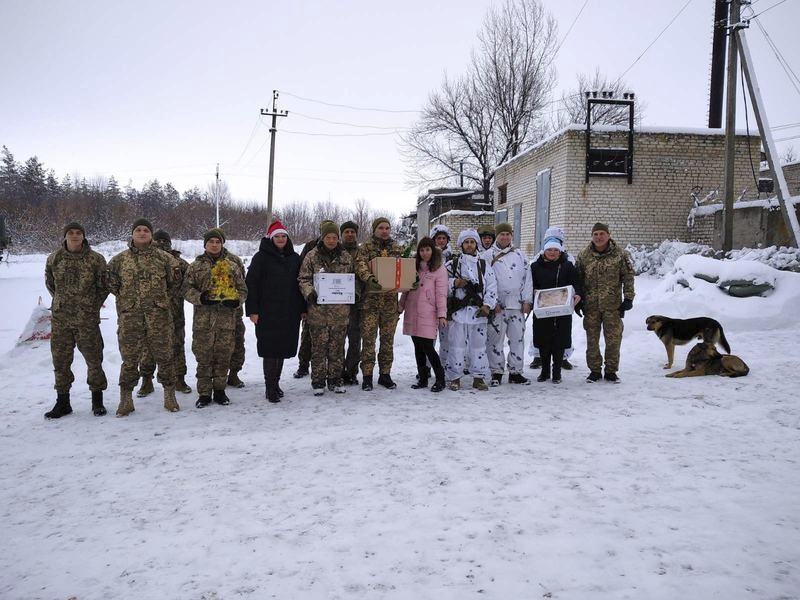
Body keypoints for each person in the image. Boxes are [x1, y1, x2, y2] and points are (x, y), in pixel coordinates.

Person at [107, 218, 182, 416]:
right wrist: (128, 300)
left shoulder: (165, 258)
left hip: (159, 317)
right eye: (138, 230)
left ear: (151, 234)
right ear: (132, 234)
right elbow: (111, 283)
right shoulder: (119, 260)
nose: (142, 233)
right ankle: (126, 399)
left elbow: (174, 284)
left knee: (165, 356)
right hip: (130, 318)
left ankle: (169, 395)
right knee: (130, 359)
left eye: (146, 230)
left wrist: (158, 300)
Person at [43, 222, 109, 418]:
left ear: (84, 236)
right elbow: (50, 284)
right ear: (65, 236)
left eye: (78, 232)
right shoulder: (54, 258)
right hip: (61, 319)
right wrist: (63, 302)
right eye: (70, 233)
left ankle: (97, 401)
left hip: (87, 320)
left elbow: (103, 287)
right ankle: (63, 402)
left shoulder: (96, 259)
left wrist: (90, 305)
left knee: (94, 360)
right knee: (61, 361)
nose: (74, 235)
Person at [183, 228, 248, 407]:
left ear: (222, 244)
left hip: (226, 321)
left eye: (217, 242)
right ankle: (204, 393)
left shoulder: (232, 265)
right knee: (203, 358)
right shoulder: (195, 266)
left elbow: (243, 290)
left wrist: (236, 301)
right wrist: (201, 298)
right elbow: (186, 289)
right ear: (205, 244)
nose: (214, 244)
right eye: (211, 241)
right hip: (203, 322)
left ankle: (219, 391)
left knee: (223, 357)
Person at [245, 220, 305, 403]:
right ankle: (269, 388)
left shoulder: (295, 258)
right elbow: (252, 285)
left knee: (282, 350)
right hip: (267, 312)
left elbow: (300, 285)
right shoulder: (260, 258)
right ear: (271, 238)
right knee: (270, 350)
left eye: (283, 236)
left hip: (289, 312)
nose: (280, 239)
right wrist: (252, 311)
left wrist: (303, 309)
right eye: (277, 236)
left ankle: (276, 383)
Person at [298, 221, 354, 395]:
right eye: (328, 237)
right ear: (322, 238)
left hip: (340, 312)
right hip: (318, 311)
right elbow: (303, 278)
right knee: (319, 348)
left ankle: (336, 380)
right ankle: (318, 381)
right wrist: (309, 293)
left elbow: (353, 279)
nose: (331, 240)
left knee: (337, 347)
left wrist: (353, 294)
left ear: (338, 238)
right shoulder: (312, 256)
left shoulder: (345, 257)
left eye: (334, 237)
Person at [576, 222, 636, 383]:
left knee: (613, 340)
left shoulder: (620, 255)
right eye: (595, 234)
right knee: (592, 340)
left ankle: (611, 371)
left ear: (608, 235)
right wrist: (578, 300)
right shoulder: (584, 255)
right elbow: (578, 279)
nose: (599, 237)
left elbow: (628, 277)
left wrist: (628, 298)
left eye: (602, 233)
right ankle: (594, 371)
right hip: (591, 306)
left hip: (613, 306)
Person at [137, 229, 191, 396]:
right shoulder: (143, 260)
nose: (161, 245)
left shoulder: (179, 263)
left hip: (174, 314)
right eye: (158, 241)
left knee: (176, 346)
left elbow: (190, 284)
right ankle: (147, 380)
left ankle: (179, 379)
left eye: (164, 242)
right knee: (148, 347)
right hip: (149, 314)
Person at [445, 229, 497, 391]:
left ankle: (479, 377)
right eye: (466, 242)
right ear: (461, 244)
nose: (469, 245)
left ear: (476, 244)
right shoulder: (451, 265)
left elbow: (492, 286)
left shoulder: (484, 265)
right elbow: (441, 285)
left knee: (478, 347)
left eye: (472, 242)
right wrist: (454, 283)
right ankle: (455, 377)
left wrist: (487, 305)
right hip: (458, 313)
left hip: (478, 312)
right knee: (456, 346)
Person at [355, 217, 403, 391]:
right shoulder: (366, 248)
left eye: (387, 228)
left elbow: (404, 268)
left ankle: (385, 374)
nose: (384, 231)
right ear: (375, 229)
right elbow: (360, 266)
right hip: (370, 303)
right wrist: (368, 279)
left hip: (390, 302)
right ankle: (367, 376)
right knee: (368, 340)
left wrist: (412, 279)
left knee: (387, 340)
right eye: (381, 228)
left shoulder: (397, 248)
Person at [530, 235, 583, 384]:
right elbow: (529, 284)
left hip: (562, 311)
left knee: (559, 341)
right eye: (549, 250)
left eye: (555, 250)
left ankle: (557, 372)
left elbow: (576, 283)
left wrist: (577, 294)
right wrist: (533, 292)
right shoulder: (535, 266)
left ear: (560, 252)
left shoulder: (567, 266)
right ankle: (545, 371)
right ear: (544, 251)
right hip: (542, 309)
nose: (552, 252)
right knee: (543, 340)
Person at [485, 222, 532, 386]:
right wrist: (492, 302)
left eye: (507, 234)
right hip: (497, 306)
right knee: (495, 340)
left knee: (517, 339)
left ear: (511, 235)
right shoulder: (487, 256)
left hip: (517, 305)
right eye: (501, 234)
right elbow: (485, 282)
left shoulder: (520, 255)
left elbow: (528, 279)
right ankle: (496, 372)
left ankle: (515, 372)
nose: (504, 237)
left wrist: (527, 300)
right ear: (496, 236)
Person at [398, 237, 448, 392]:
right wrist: (400, 307)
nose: (425, 253)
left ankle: (440, 379)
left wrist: (442, 315)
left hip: (429, 313)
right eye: (422, 250)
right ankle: (423, 378)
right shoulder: (413, 268)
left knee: (428, 347)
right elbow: (406, 289)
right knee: (418, 347)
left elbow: (441, 294)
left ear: (432, 251)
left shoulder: (439, 269)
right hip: (413, 311)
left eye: (427, 249)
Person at [293, 220, 334, 379]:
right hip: (312, 301)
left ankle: (331, 370)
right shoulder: (310, 247)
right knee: (307, 337)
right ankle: (303, 365)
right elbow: (302, 274)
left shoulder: (338, 247)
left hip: (333, 304)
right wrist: (305, 302)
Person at [340, 221, 362, 385]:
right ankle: (338, 371)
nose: (349, 234)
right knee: (337, 340)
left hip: (357, 303)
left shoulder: (361, 253)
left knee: (355, 340)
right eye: (346, 231)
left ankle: (352, 371)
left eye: (352, 232)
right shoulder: (336, 251)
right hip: (337, 304)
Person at [226, 249, 248, 389]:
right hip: (211, 313)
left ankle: (234, 374)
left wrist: (237, 300)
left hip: (234, 311)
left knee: (238, 343)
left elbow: (243, 284)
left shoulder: (234, 260)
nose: (215, 244)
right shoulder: (200, 262)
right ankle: (215, 377)